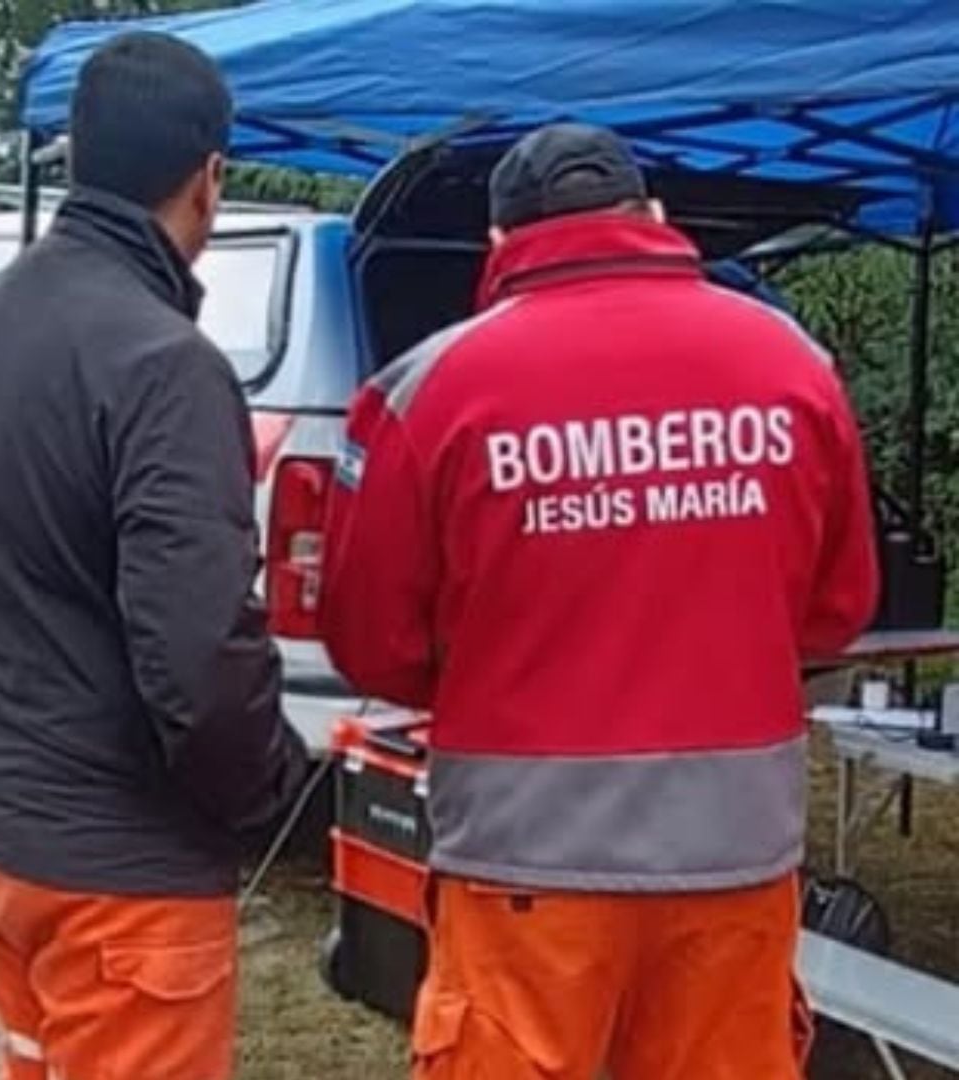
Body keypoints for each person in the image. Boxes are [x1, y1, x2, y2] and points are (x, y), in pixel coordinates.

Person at [321, 123, 879, 1080]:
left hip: (525, 870)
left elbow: (370, 641)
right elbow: (838, 609)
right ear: (654, 219)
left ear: (500, 245)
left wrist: (499, 661)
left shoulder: (429, 390)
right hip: (734, 863)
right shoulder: (793, 367)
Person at [0, 31, 306, 1080]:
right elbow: (198, 659)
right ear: (209, 179)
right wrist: (275, 788)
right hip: (123, 877)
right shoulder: (168, 365)